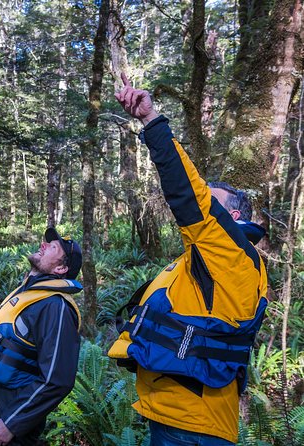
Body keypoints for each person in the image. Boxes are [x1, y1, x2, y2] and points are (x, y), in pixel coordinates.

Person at [107, 74, 268, 445]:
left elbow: (188, 195)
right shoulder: (203, 262)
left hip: (194, 429)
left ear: (236, 221)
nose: (206, 209)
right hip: (175, 419)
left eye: (216, 207)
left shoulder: (234, 257)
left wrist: (152, 122)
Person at [0, 228, 84, 446]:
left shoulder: (55, 307)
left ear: (61, 268)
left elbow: (57, 379)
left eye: (53, 246)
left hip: (2, 425)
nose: (43, 245)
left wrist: (12, 422)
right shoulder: (26, 295)